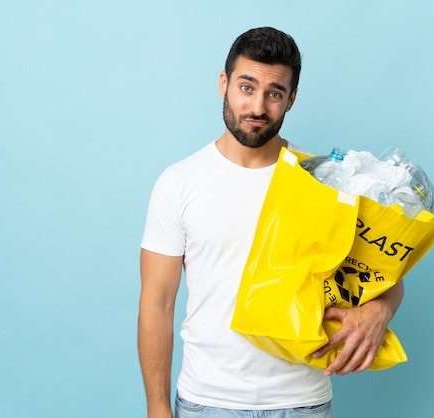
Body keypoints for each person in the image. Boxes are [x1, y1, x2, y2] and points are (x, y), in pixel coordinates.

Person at [138, 26, 404, 418]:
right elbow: (157, 303)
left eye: (274, 93)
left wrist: (379, 310)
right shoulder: (179, 182)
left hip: (303, 402)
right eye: (247, 87)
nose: (258, 107)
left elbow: (384, 275)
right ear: (224, 84)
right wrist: (157, 410)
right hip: (206, 402)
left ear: (291, 99)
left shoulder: (325, 181)